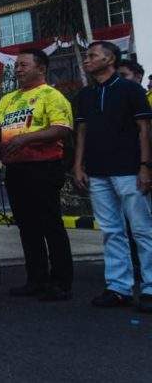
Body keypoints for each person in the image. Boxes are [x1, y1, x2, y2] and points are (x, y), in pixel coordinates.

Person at [0, 48, 74, 301]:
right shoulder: (9, 99)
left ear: (41, 68)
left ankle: (61, 282)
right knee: (27, 226)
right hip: (16, 168)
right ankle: (36, 279)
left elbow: (62, 129)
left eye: (23, 65)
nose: (17, 69)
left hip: (44, 166)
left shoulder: (51, 95)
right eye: (16, 65)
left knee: (50, 224)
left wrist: (27, 138)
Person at [72, 41, 152, 312]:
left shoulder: (131, 90)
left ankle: (150, 286)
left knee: (141, 229)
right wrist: (79, 165)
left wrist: (145, 166)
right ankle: (119, 287)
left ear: (110, 59)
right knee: (111, 231)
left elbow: (144, 129)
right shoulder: (85, 95)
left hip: (129, 170)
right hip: (97, 171)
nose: (87, 59)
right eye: (87, 56)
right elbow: (81, 132)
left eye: (92, 55)